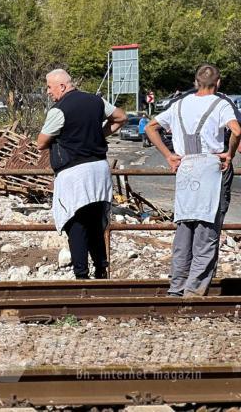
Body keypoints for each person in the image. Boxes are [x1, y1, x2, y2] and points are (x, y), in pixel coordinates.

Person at [145, 64, 241, 296]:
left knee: (185, 229)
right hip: (211, 168)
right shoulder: (221, 104)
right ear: (218, 83)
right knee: (207, 231)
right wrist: (229, 154)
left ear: (196, 82)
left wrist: (169, 156)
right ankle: (194, 290)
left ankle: (176, 287)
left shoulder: (179, 104)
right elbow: (236, 131)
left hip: (185, 167)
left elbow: (150, 127)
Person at [36, 69, 127, 279]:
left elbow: (41, 142)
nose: (48, 92)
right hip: (99, 169)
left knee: (75, 223)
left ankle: (81, 275)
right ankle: (101, 268)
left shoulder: (58, 110)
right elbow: (121, 117)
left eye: (50, 87)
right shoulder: (96, 101)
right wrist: (100, 132)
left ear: (62, 85)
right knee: (95, 221)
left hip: (74, 173)